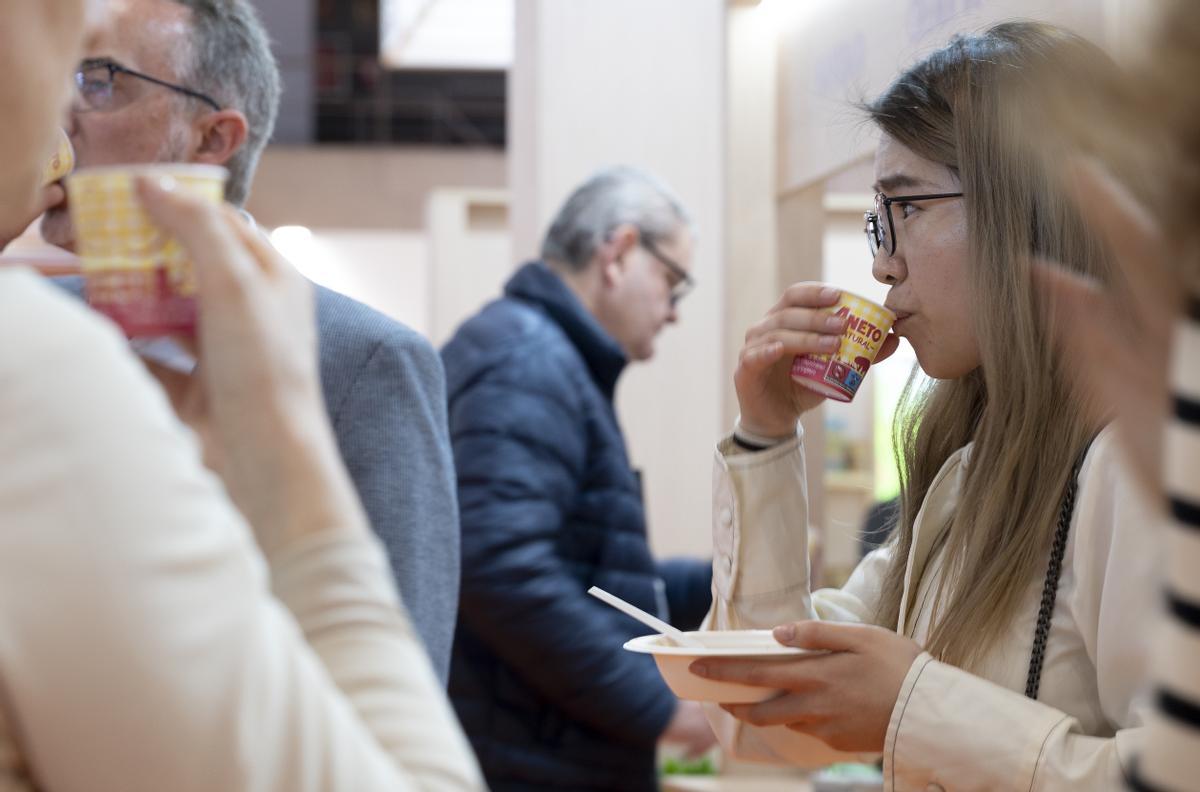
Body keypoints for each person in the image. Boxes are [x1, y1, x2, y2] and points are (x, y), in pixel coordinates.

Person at [0, 0, 483, 789]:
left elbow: (407, 677)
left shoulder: (362, 360)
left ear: (213, 139)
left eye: (101, 80)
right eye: (68, 69)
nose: (67, 114)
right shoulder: (40, 345)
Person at [687, 22, 1158, 791]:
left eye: (906, 209)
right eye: (881, 217)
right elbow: (759, 718)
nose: (881, 261)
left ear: (1029, 208)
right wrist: (766, 435)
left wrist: (914, 708)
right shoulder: (972, 472)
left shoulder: (1142, 461)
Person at [441, 167, 715, 790]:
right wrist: (659, 708)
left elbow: (584, 577)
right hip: (530, 765)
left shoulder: (539, 355)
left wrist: (711, 580)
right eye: (673, 282)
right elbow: (498, 566)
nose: (673, 312)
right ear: (617, 253)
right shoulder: (530, 360)